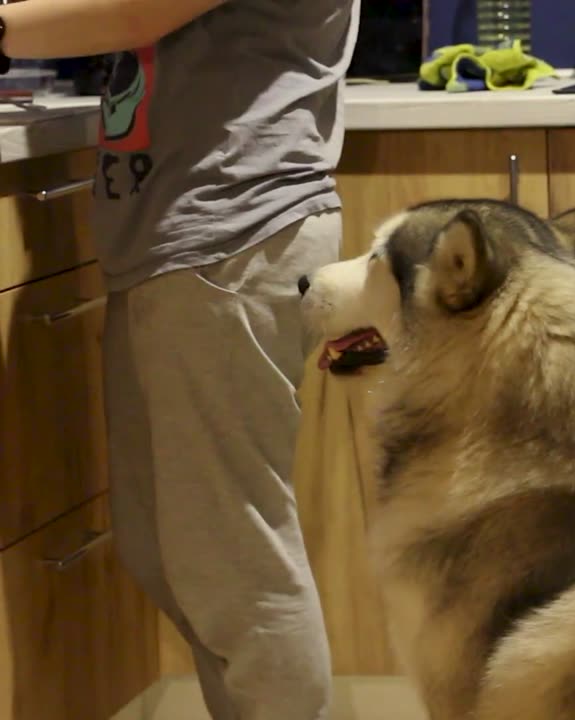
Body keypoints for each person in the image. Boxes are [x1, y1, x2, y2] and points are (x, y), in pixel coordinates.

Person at [0, 1, 359, 718]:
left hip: (229, 230)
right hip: (186, 237)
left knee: (235, 573)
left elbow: (131, 9)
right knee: (171, 554)